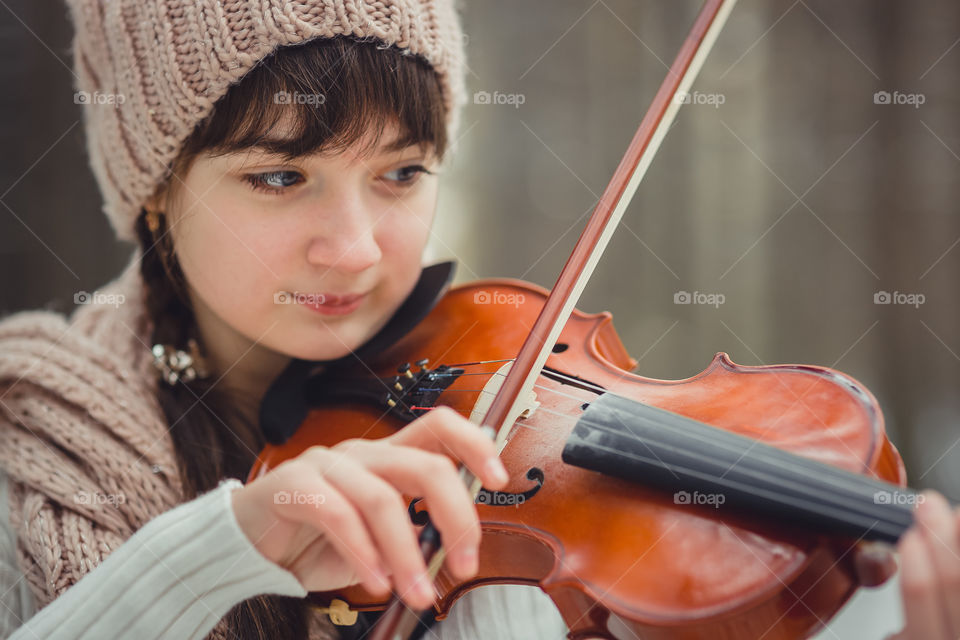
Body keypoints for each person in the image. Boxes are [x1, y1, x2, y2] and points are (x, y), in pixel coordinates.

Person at [0, 0, 955, 639]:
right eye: (281, 177)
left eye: (401, 173)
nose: (359, 247)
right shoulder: (30, 451)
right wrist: (222, 549)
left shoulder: (513, 475)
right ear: (157, 191)